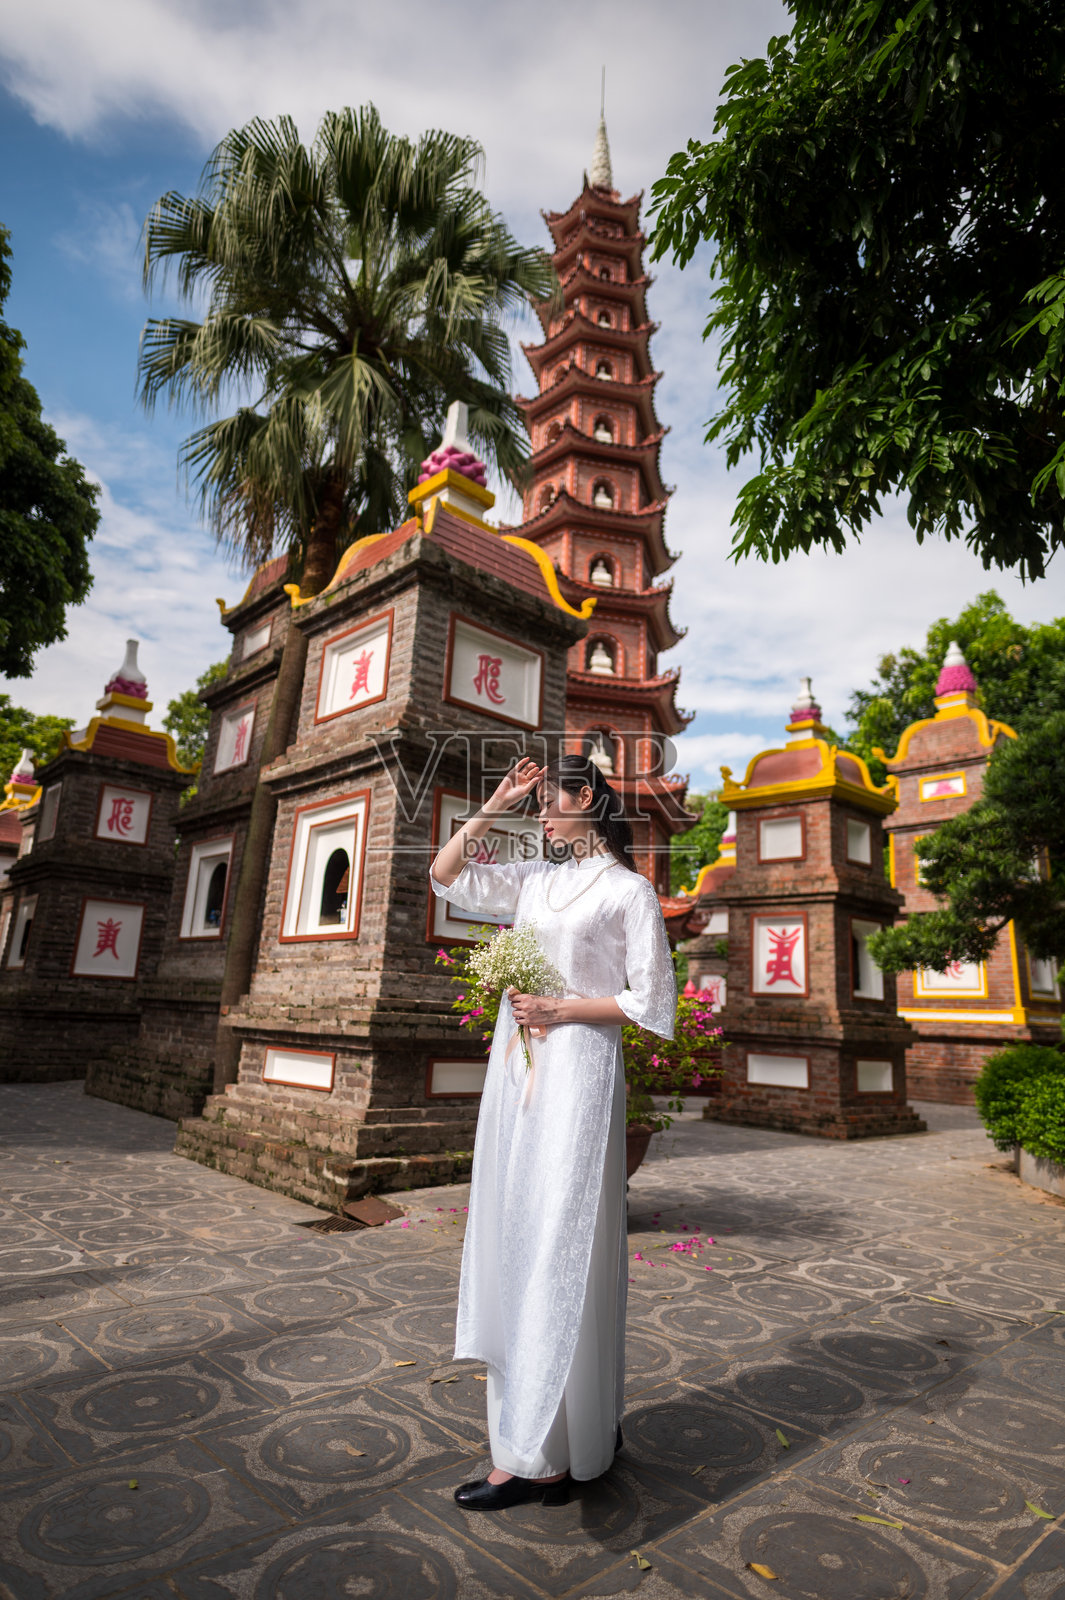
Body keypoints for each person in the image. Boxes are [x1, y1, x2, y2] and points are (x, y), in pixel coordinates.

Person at [429, 753, 677, 1510]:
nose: (539, 813)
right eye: (532, 803)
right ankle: (543, 1439)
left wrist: (561, 1009)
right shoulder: (536, 877)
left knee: (561, 1240)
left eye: (547, 801)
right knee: (516, 1231)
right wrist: (495, 805)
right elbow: (445, 874)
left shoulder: (628, 891)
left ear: (588, 799)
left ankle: (545, 1453)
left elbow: (652, 1001)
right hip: (518, 1072)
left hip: (578, 1074)